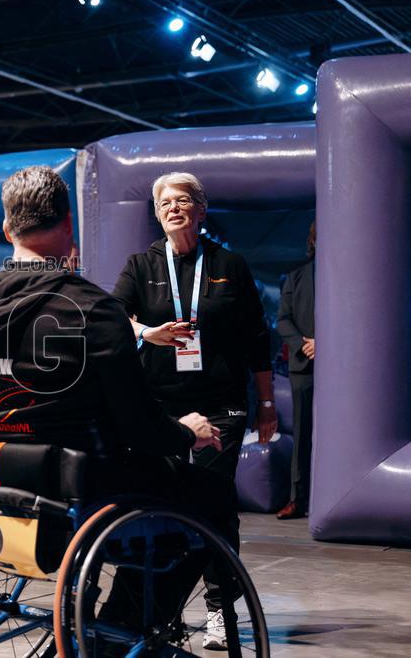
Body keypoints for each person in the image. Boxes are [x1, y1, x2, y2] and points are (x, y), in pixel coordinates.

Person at [0, 166, 237, 647]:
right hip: (79, 487)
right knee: (213, 496)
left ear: (6, 228)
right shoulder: (93, 308)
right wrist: (186, 431)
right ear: (69, 225)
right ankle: (120, 634)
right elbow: (140, 426)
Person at [112, 171, 274, 649]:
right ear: (157, 213)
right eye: (165, 202)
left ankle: (221, 609)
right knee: (160, 503)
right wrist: (148, 333)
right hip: (161, 407)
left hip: (221, 406)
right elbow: (114, 316)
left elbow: (256, 339)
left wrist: (266, 404)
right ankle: (161, 610)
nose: (173, 208)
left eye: (183, 200)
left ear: (201, 210)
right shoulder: (141, 265)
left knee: (212, 505)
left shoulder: (230, 264)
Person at [276, 222, 315, 520]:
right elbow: (283, 320)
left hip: (345, 369)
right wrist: (305, 345)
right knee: (302, 434)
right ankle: (297, 499)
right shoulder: (295, 277)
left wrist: (326, 343)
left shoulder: (353, 275)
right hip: (304, 367)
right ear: (313, 241)